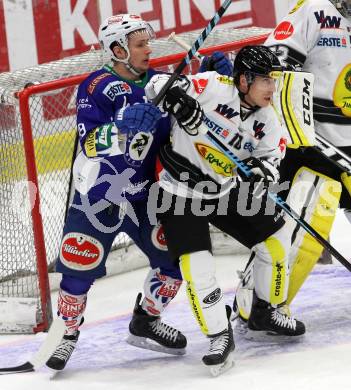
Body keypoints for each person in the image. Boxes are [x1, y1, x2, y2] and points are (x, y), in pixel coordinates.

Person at [145, 45, 305, 375]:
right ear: (244, 80)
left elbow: (274, 160)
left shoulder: (268, 119)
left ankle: (264, 312)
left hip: (224, 189)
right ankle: (219, 335)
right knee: (197, 267)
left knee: (275, 243)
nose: (271, 89)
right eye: (265, 81)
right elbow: (157, 86)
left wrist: (263, 170)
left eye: (273, 81)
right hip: (181, 190)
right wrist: (176, 98)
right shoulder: (213, 86)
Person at [234, 0, 351, 324]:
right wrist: (295, 124)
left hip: (348, 141)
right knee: (298, 230)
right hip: (310, 145)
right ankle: (258, 306)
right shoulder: (313, 11)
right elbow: (275, 64)